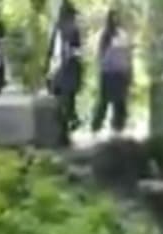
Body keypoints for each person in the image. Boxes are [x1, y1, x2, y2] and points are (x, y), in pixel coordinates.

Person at [91, 9, 132, 134]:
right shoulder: (104, 35)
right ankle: (96, 127)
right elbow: (100, 55)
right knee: (104, 101)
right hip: (108, 73)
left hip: (120, 73)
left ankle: (118, 127)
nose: (116, 20)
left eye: (117, 17)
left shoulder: (122, 34)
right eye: (113, 17)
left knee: (120, 102)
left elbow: (127, 55)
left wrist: (129, 70)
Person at [48, 0, 83, 140]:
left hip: (56, 70)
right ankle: (69, 126)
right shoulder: (73, 29)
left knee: (59, 103)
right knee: (69, 102)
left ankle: (61, 133)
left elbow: (51, 51)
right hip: (69, 70)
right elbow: (76, 51)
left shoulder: (57, 28)